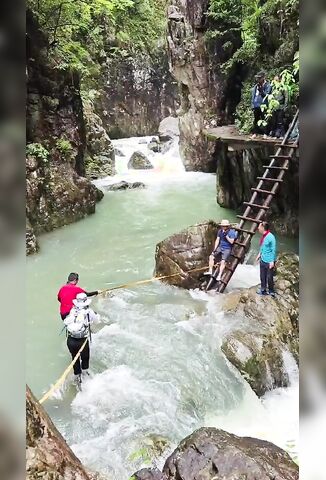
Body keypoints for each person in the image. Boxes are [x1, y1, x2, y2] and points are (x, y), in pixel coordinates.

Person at [64, 292, 100, 387]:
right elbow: (96, 321)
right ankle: (85, 375)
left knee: (74, 357)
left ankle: (77, 377)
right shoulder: (89, 312)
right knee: (85, 357)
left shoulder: (73, 311)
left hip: (70, 340)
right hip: (82, 341)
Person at [255, 222, 277, 297]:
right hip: (263, 259)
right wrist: (259, 254)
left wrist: (272, 261)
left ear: (262, 228)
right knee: (262, 276)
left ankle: (271, 291)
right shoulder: (264, 236)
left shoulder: (271, 237)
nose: (258, 228)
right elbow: (263, 246)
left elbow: (273, 250)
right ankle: (263, 290)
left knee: (269, 277)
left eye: (259, 227)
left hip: (269, 261)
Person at [251, 71, 272, 138]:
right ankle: (255, 133)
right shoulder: (256, 86)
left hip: (264, 105)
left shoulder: (268, 85)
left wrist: (261, 90)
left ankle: (265, 134)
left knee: (264, 119)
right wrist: (252, 104)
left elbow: (266, 95)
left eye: (259, 78)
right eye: (257, 78)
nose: (258, 79)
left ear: (263, 78)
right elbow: (253, 96)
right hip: (256, 105)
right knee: (256, 120)